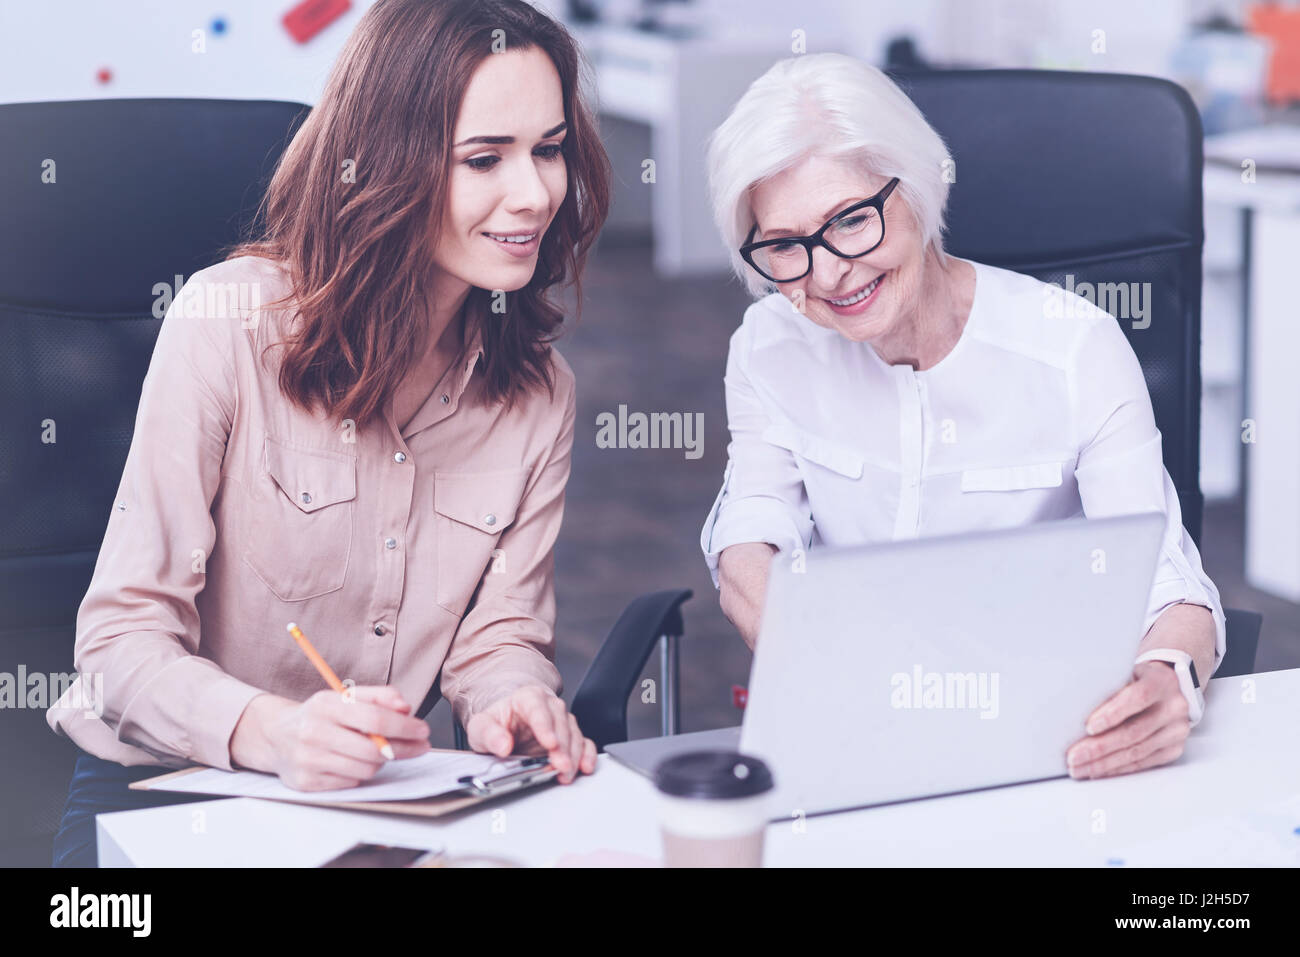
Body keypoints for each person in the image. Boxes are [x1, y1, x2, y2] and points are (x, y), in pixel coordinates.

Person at [47, 0, 611, 866]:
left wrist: (511, 695)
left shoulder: (538, 393)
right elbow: (120, 643)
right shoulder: (227, 322)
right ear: (389, 164)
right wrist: (271, 733)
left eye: (548, 148)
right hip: (162, 786)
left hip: (378, 803)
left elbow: (499, 634)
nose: (534, 193)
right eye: (484, 158)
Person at [699, 53, 1226, 782]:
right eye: (785, 244)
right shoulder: (768, 346)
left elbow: (1172, 587)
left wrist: (1169, 682)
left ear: (915, 188)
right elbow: (749, 533)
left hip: (1051, 742)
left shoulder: (1076, 348)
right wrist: (802, 642)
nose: (827, 274)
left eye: (851, 220)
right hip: (861, 741)